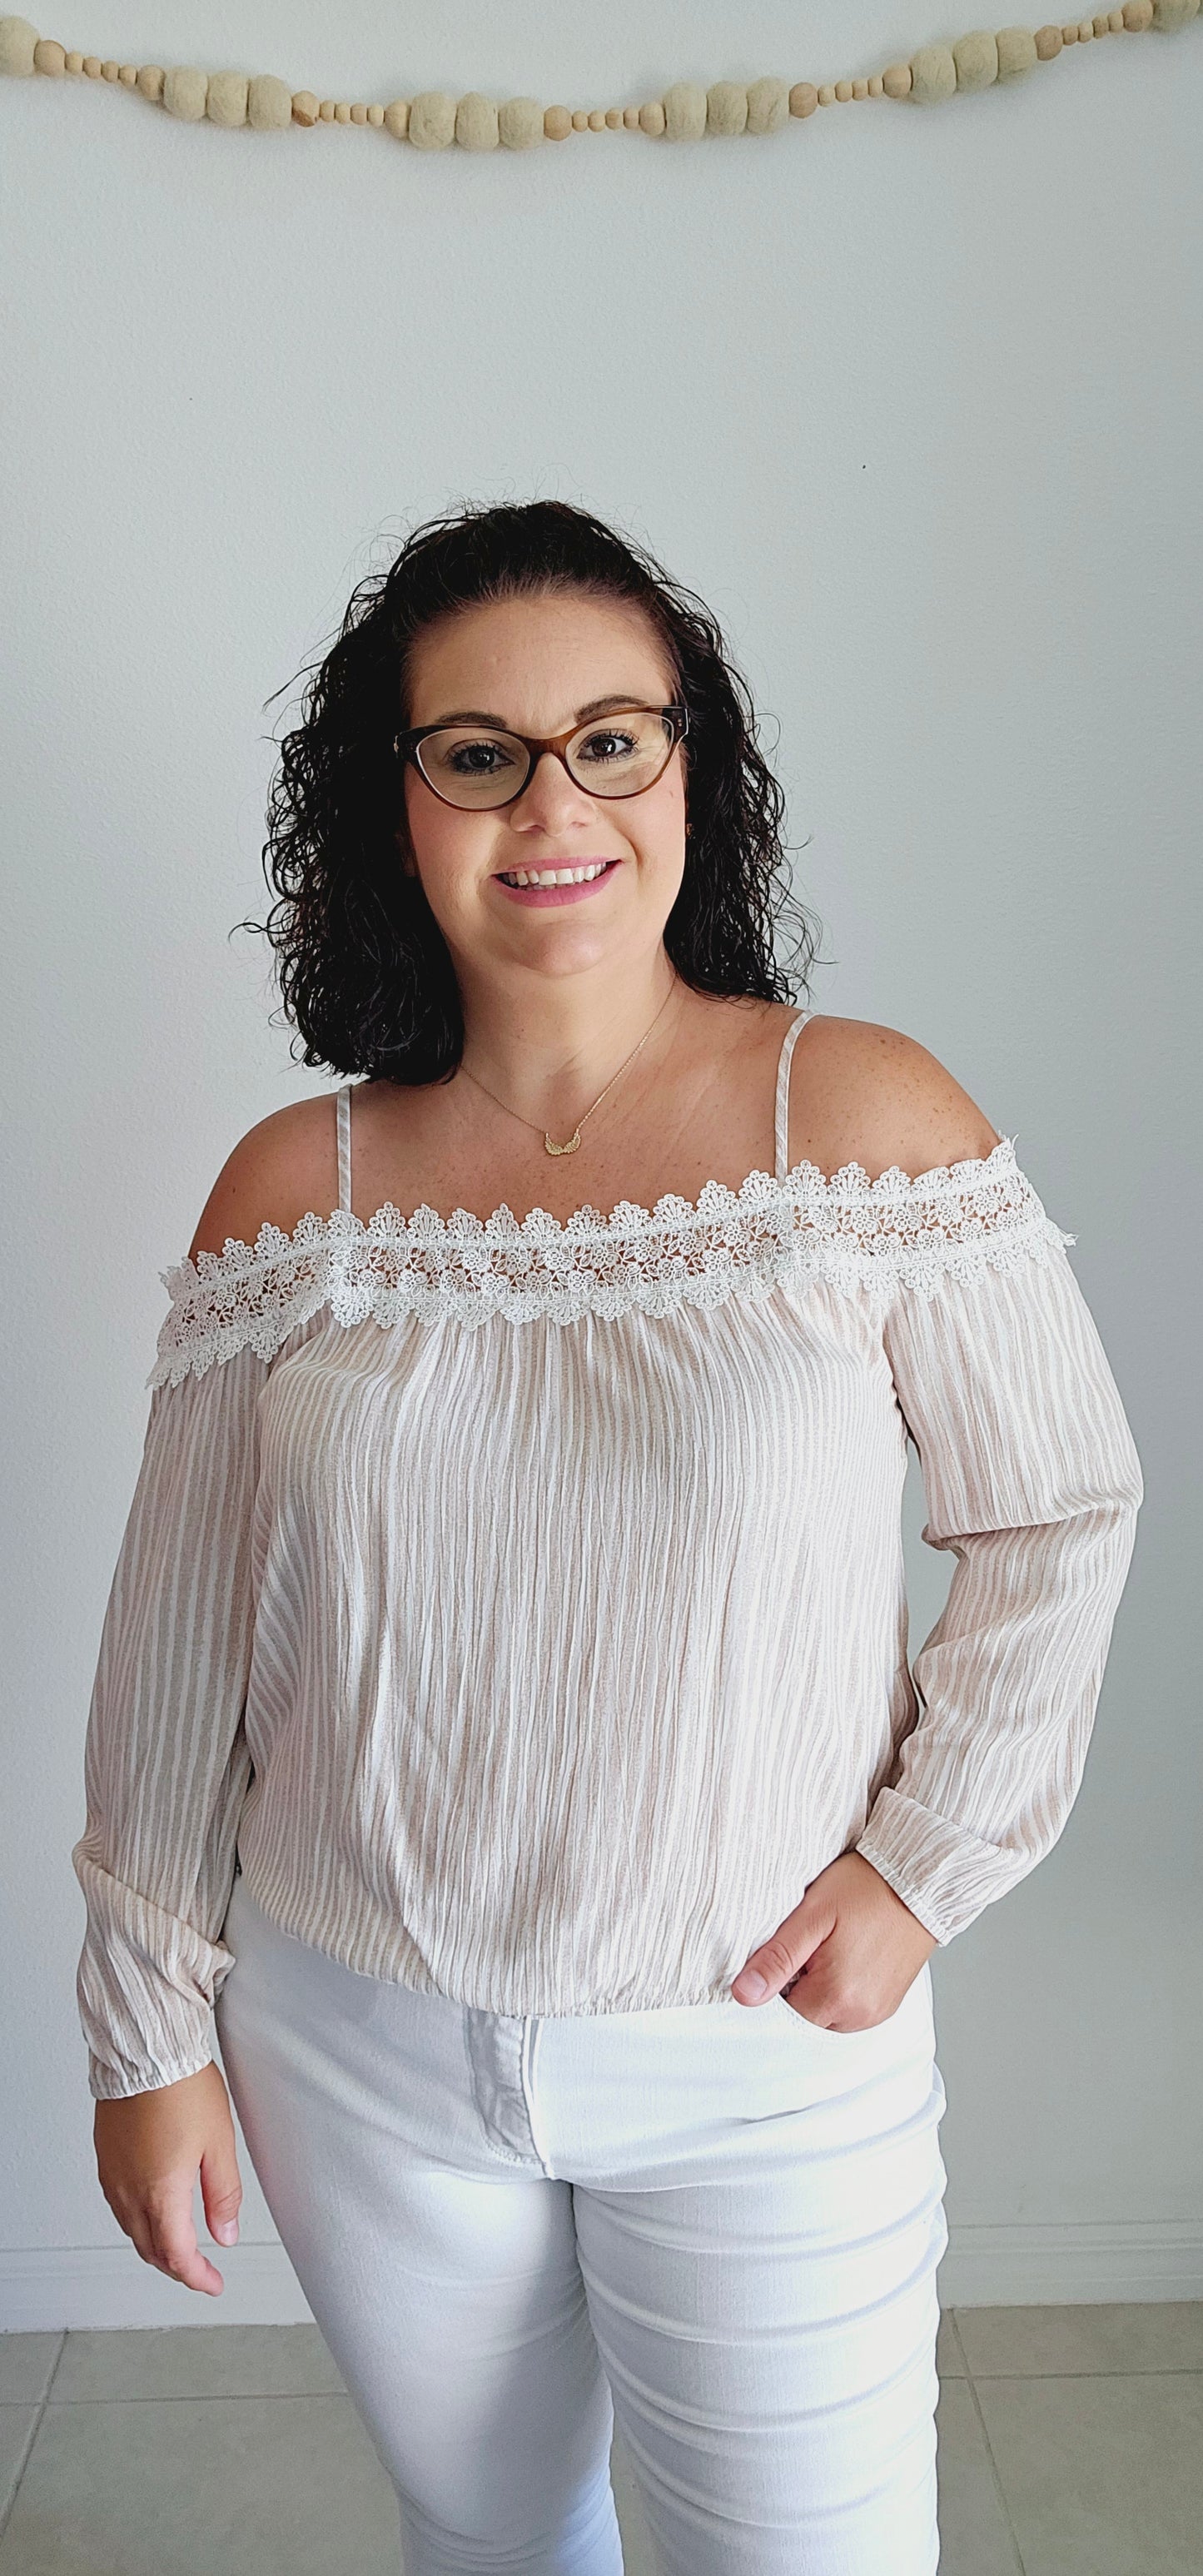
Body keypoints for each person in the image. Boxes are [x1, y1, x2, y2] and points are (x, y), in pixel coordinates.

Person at [72, 498, 1143, 2576]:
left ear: (691, 771)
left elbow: (1061, 1510)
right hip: (354, 2034)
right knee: (494, 2547)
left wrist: (927, 1866)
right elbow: (175, 1646)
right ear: (394, 803)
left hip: (761, 2037)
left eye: (611, 739)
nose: (549, 801)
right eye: (476, 749)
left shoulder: (864, 1117)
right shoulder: (298, 1186)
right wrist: (148, 2033)